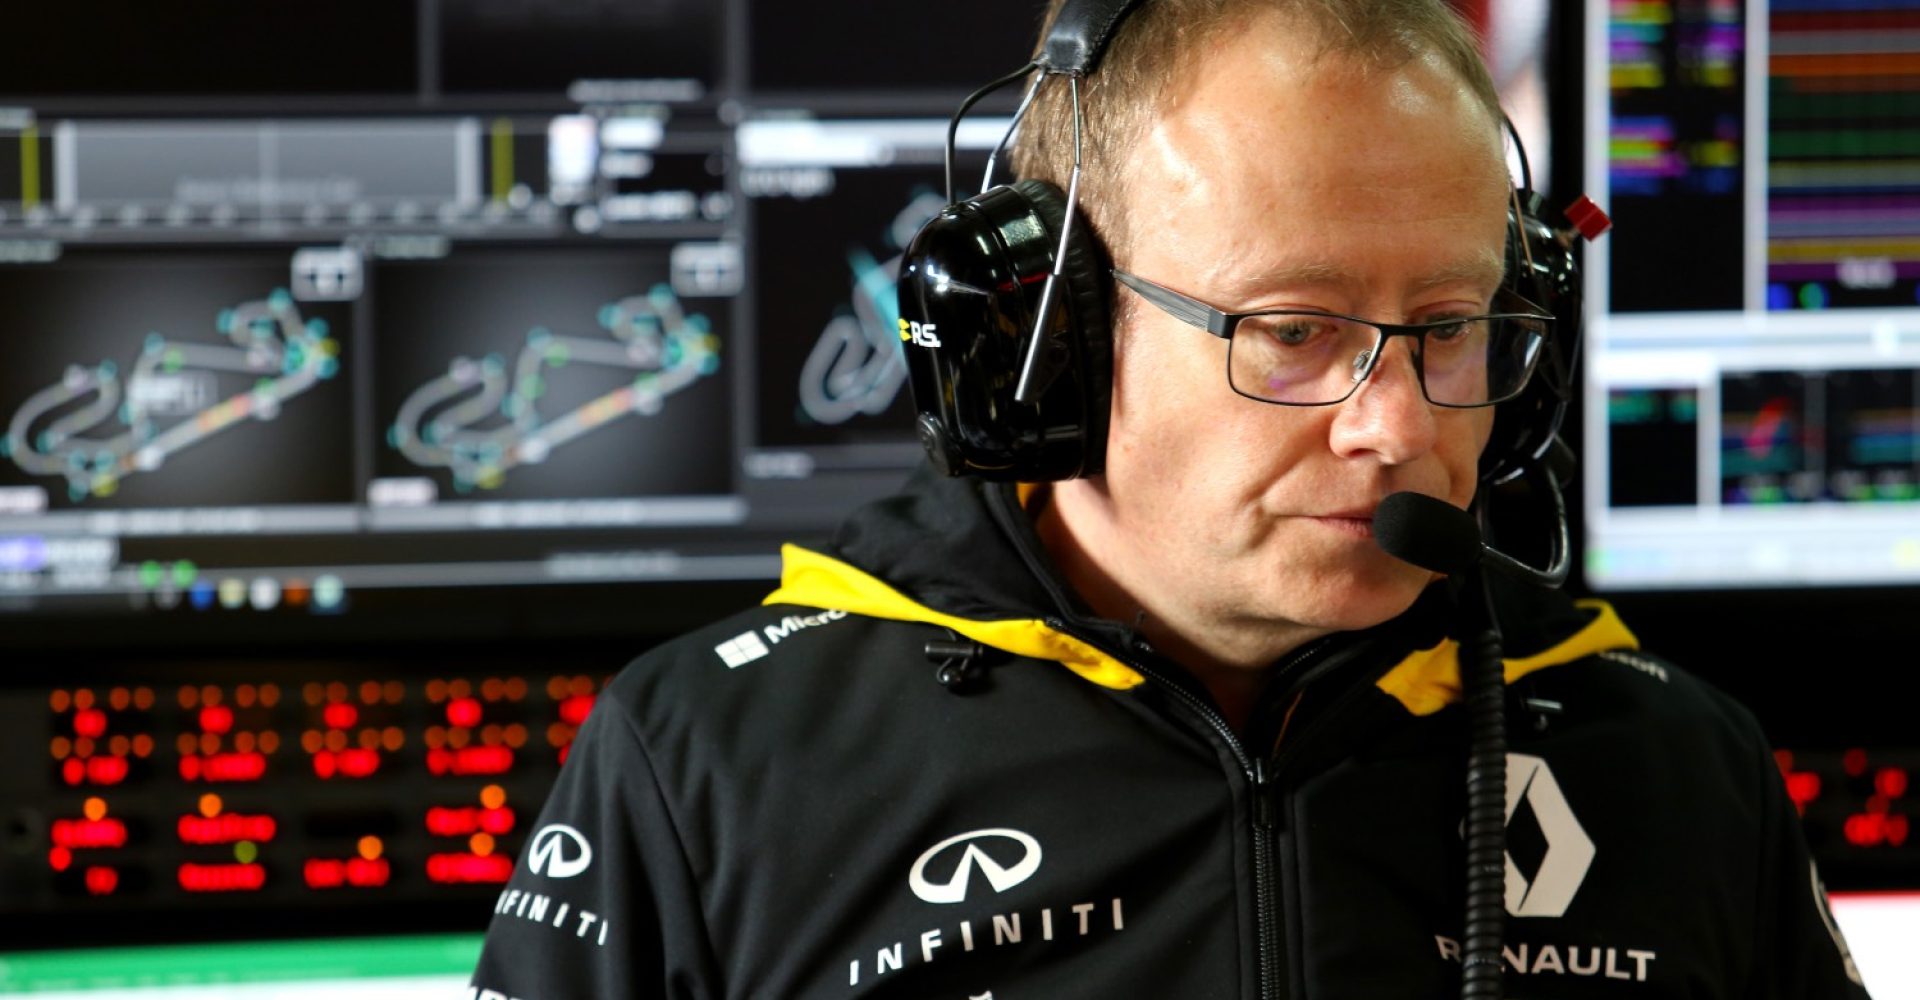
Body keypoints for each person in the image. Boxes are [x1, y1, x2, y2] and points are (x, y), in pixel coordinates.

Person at [470, 1, 1872, 997]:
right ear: (1053, 336)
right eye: (1293, 331)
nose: (1391, 428)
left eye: (1452, 326)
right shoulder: (707, 768)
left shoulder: (1680, 769)